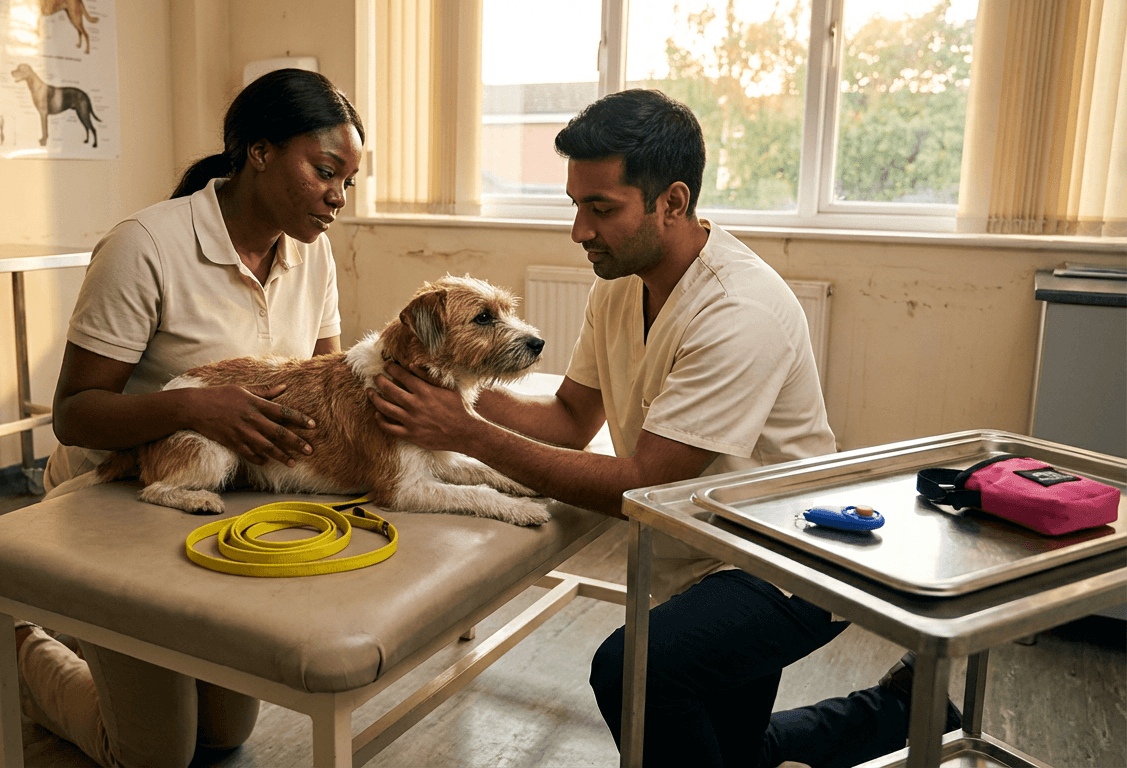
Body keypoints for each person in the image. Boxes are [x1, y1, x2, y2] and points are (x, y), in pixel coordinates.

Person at [366, 88, 959, 768]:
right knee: (726, 752)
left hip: (787, 563)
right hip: (703, 552)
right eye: (575, 206)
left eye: (601, 209)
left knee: (633, 671)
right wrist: (452, 393)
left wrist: (464, 434)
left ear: (671, 203)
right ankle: (903, 711)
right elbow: (569, 418)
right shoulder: (616, 283)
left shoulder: (740, 311)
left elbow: (644, 484)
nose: (579, 231)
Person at [0, 68, 364, 768]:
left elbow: (326, 382)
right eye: (326, 171)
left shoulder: (312, 252)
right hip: (114, 499)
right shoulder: (145, 245)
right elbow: (76, 416)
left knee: (226, 733)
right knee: (153, 753)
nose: (338, 197)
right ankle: (11, 644)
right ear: (259, 151)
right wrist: (196, 406)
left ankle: (89, 638)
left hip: (221, 504)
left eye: (348, 182)